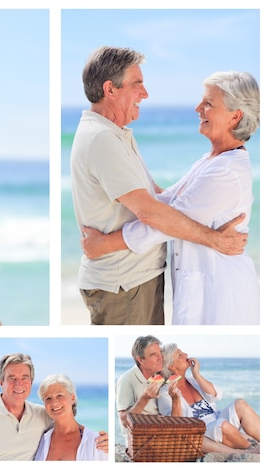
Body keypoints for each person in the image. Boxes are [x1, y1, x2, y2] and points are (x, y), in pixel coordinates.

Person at [70, 46, 247, 325]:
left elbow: (159, 199)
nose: (145, 93)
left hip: (132, 281)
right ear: (110, 89)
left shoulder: (116, 135)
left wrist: (106, 243)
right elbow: (150, 212)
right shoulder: (102, 139)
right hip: (124, 283)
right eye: (137, 84)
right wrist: (214, 239)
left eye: (209, 103)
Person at [116, 335, 238, 455]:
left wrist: (194, 375)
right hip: (141, 439)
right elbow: (124, 421)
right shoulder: (126, 380)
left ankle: (244, 449)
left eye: (160, 353)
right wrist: (144, 399)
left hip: (164, 430)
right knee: (193, 437)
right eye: (154, 355)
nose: (160, 358)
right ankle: (238, 453)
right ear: (140, 360)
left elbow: (212, 394)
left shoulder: (159, 376)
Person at [158, 343, 260, 450]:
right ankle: (253, 450)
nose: (186, 354)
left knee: (240, 404)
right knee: (221, 425)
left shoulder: (192, 380)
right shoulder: (165, 393)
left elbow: (216, 395)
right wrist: (175, 399)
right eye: (180, 355)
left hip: (219, 421)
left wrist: (196, 374)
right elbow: (176, 425)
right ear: (171, 366)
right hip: (202, 433)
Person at [33, 374, 108, 461]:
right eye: (48, 398)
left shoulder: (97, 442)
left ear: (72, 398)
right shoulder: (41, 440)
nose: (54, 403)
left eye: (59, 395)